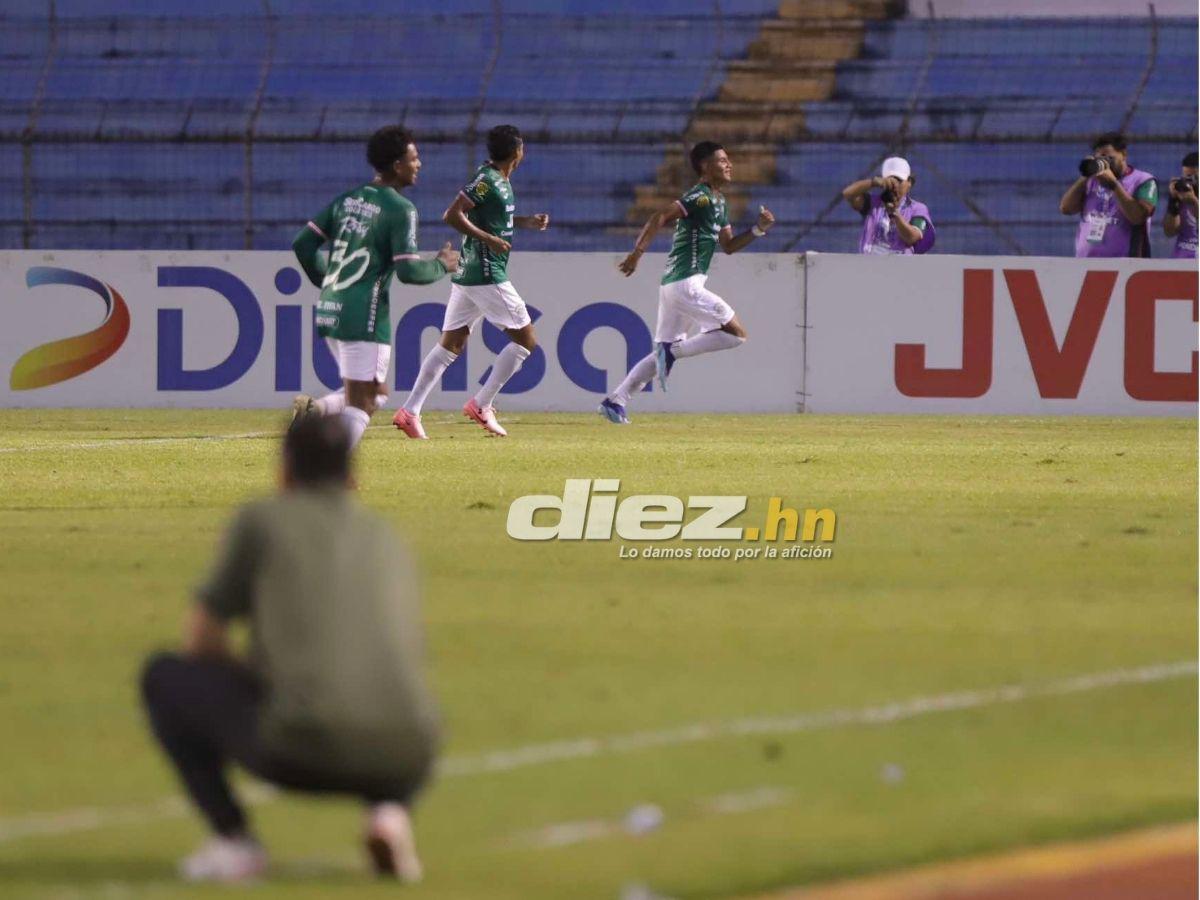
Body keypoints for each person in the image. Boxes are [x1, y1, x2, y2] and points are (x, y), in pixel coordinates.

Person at [140, 415, 439, 884]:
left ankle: (233, 841)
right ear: (352, 475)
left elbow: (201, 639)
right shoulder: (384, 533)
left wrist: (255, 675)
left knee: (163, 676)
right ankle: (389, 814)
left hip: (300, 745)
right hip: (412, 753)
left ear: (284, 469)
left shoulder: (262, 519)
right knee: (383, 688)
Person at [290, 125, 458, 448]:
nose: (419, 164)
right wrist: (441, 264)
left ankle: (317, 410)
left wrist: (328, 280)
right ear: (398, 165)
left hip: (330, 307)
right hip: (363, 314)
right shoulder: (400, 209)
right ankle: (333, 475)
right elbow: (408, 271)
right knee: (365, 402)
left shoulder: (348, 199)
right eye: (414, 158)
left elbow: (303, 244)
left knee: (374, 393)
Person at [598, 141, 775, 425]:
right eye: (722, 160)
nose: (729, 164)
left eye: (728, 159)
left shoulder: (719, 201)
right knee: (736, 334)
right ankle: (672, 352)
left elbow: (728, 245)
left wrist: (758, 229)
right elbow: (660, 216)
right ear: (705, 167)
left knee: (660, 355)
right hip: (685, 285)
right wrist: (637, 253)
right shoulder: (700, 197)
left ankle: (615, 401)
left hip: (674, 287)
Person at [392, 124, 550, 439]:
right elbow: (452, 214)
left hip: (469, 274)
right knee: (526, 340)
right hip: (486, 272)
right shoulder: (487, 180)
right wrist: (488, 238)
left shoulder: (500, 180)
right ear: (516, 151)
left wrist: (524, 222)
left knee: (451, 344)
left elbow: (493, 217)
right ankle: (482, 403)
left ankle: (409, 411)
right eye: (522, 146)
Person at [1060, 132, 1157, 258]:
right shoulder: (1091, 180)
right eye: (1100, 158)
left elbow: (1138, 217)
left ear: (1124, 155)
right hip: (1085, 262)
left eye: (1110, 158)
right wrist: (1087, 174)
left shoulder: (1143, 180)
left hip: (1126, 263)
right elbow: (1066, 208)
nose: (1106, 163)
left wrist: (1114, 185)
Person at [841, 156, 935, 255]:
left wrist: (895, 215)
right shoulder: (873, 203)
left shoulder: (917, 208)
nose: (895, 186)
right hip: (869, 264)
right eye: (890, 180)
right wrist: (873, 182)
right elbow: (848, 194)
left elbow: (912, 238)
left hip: (900, 266)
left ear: (909, 182)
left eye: (899, 181)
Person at [1163, 150, 1198, 259]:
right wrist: (1173, 203)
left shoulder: (1191, 199)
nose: (1192, 182)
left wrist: (1195, 203)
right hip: (1181, 260)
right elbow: (1170, 231)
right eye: (1187, 177)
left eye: (1195, 177)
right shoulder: (1182, 195)